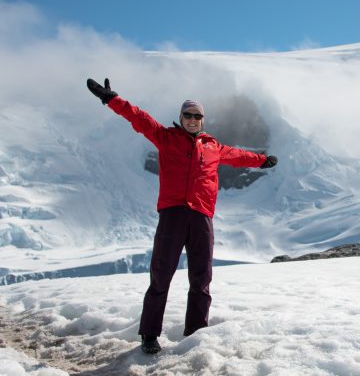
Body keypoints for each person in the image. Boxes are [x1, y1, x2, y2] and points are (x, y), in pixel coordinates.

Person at [86, 78, 278, 354]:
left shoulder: (213, 147)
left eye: (197, 116)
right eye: (187, 115)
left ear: (202, 120)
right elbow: (139, 119)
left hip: (201, 216)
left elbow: (238, 156)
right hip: (173, 214)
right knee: (161, 275)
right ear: (181, 118)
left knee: (201, 278)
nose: (192, 119)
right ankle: (149, 335)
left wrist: (261, 161)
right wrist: (112, 99)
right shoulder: (165, 137)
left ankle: (195, 334)